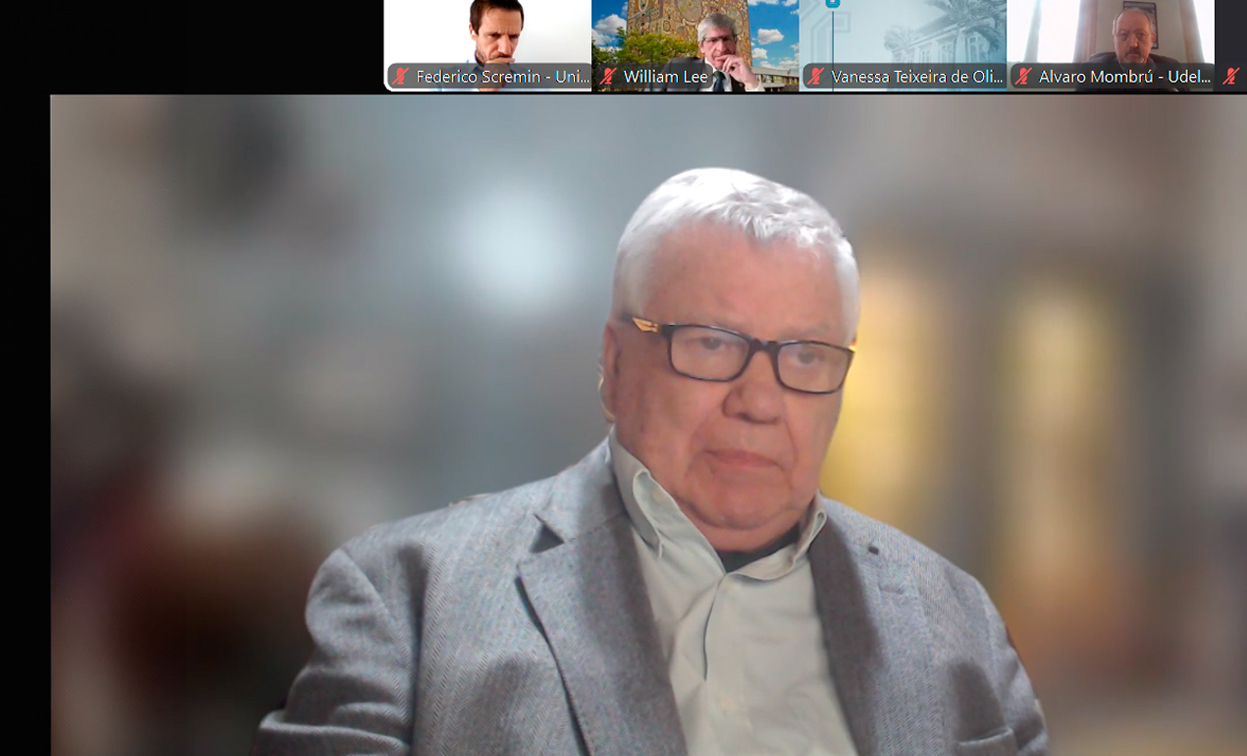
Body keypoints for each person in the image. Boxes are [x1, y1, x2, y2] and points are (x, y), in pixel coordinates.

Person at [253, 168, 1048, 756]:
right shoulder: (406, 600)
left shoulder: (958, 616)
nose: (760, 400)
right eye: (712, 344)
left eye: (805, 355)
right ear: (614, 363)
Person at [1081, 7, 1184, 93]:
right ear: (1114, 40)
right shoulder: (1090, 74)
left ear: (1152, 39)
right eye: (1123, 35)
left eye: (1140, 34)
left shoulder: (1173, 69)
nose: (1133, 44)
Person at [666, 13, 763, 92]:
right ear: (701, 47)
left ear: (735, 42)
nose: (721, 48)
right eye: (713, 40)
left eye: (726, 39)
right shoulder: (677, 68)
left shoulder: (745, 79)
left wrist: (751, 82)